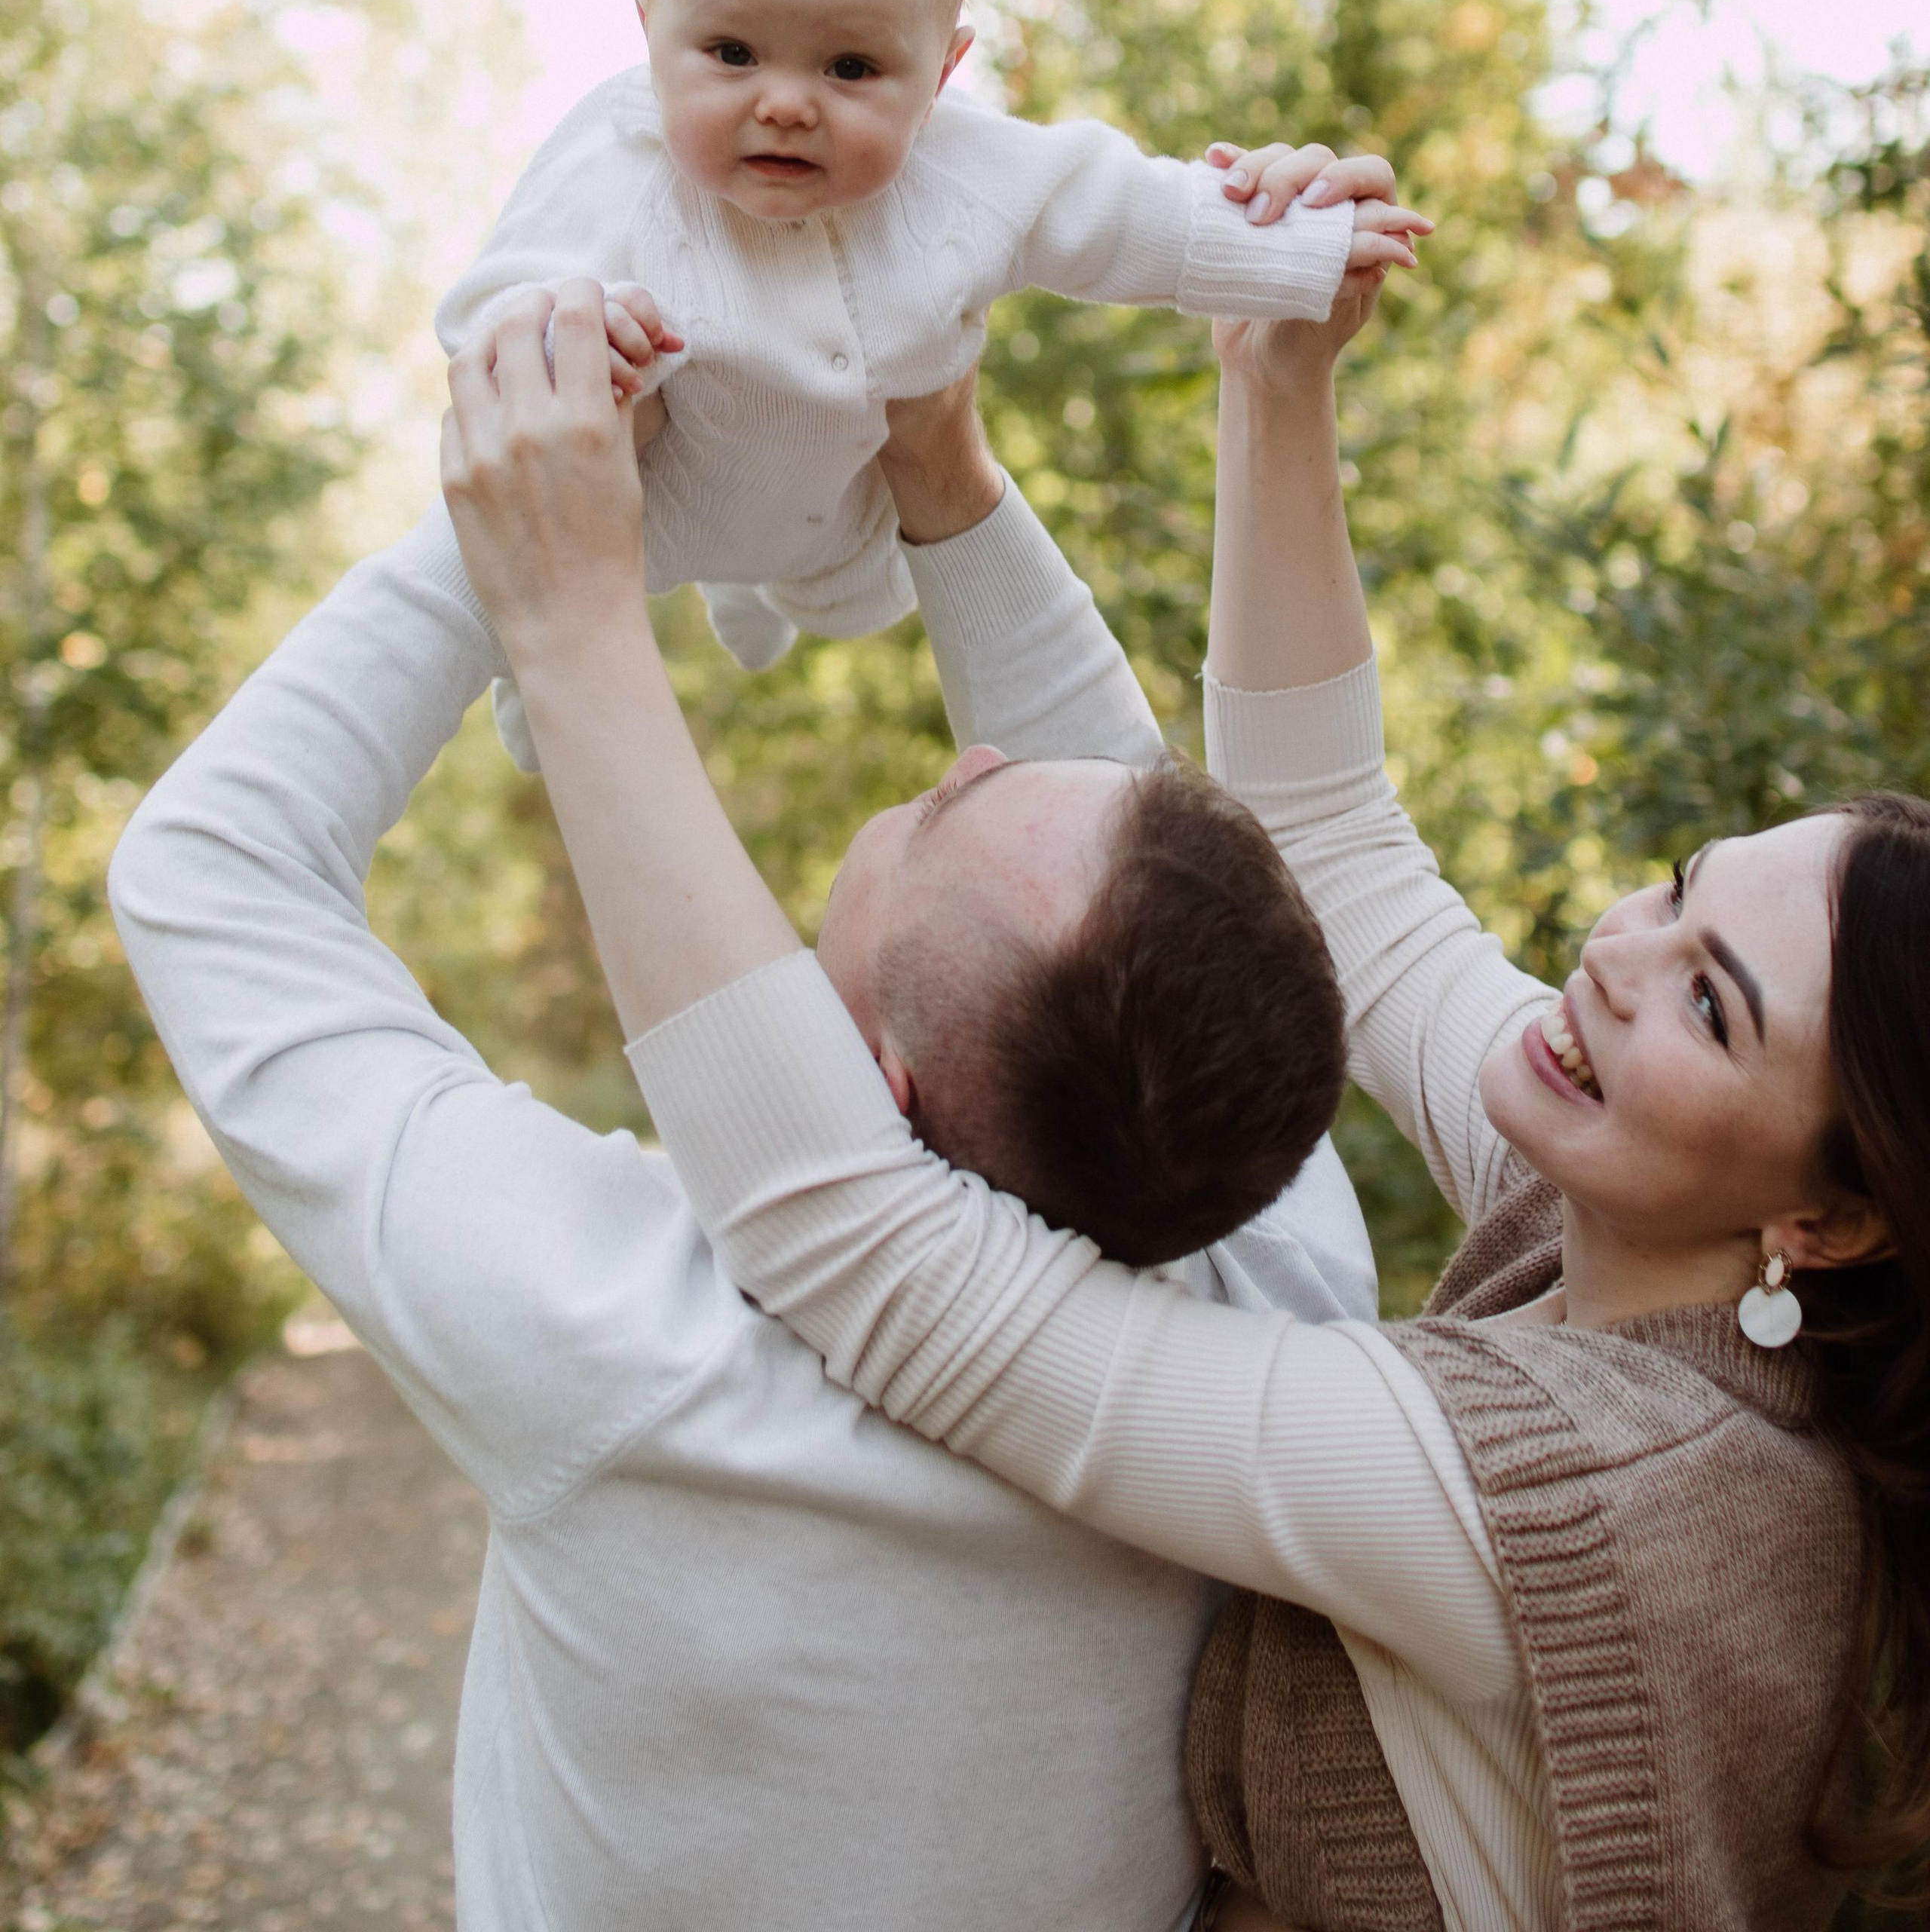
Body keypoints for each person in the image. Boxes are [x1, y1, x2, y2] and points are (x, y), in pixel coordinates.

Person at [441, 265, 1930, 1932]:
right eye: (1671, 891)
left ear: (1827, 1216)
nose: (1612, 956)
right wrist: (1264, 384)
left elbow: (894, 1271)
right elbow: (1325, 848)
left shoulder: (1599, 1496)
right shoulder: (1626, 1211)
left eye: (1709, 1003)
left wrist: (572, 625)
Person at [106, 378, 1392, 1932]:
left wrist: (516, 537)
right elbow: (1131, 889)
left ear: (868, 1093)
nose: (972, 760)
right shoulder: (1277, 1297)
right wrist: (945, 472)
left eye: (936, 814)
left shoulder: (642, 1346)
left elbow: (211, 874)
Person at [437, 0, 1426, 752]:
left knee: (826, 594)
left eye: (851, 69)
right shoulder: (619, 154)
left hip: (840, 517)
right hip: (656, 495)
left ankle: (762, 599)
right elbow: (495, 301)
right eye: (732, 52)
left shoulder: (966, 170)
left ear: (942, 74)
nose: (785, 103)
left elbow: (1123, 207)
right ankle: (542, 688)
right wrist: (578, 323)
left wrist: (1306, 249)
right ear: (651, 34)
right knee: (552, 546)